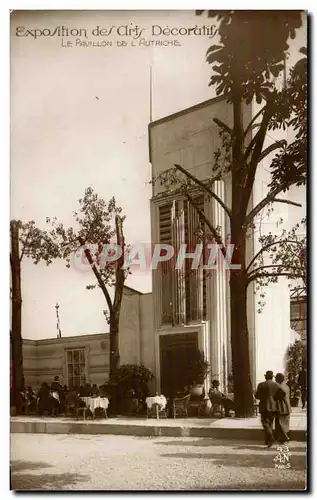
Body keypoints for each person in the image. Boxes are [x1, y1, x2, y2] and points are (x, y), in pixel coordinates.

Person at [255, 370, 285, 447]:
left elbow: (257, 396)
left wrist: (263, 397)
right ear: (272, 377)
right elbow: (282, 394)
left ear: (265, 377)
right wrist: (275, 398)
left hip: (264, 406)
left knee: (265, 423)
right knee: (270, 423)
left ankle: (270, 437)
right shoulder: (277, 385)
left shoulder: (261, 385)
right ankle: (268, 440)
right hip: (274, 407)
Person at [274, 373, 291, 444]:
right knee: (285, 422)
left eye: (276, 378)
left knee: (280, 422)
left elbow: (276, 397)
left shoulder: (279, 387)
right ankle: (283, 437)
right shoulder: (286, 386)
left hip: (281, 406)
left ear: (278, 379)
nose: (275, 379)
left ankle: (285, 437)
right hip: (287, 406)